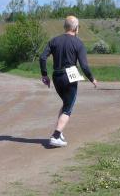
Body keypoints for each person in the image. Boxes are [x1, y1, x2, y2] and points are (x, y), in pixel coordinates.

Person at [39, 15, 98, 148]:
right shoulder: (78, 43)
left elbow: (42, 58)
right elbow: (84, 66)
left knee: (66, 103)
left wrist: (44, 75)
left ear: (65, 27)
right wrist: (92, 79)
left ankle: (59, 133)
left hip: (56, 75)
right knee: (68, 108)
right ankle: (55, 136)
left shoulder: (54, 41)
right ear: (76, 28)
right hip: (70, 76)